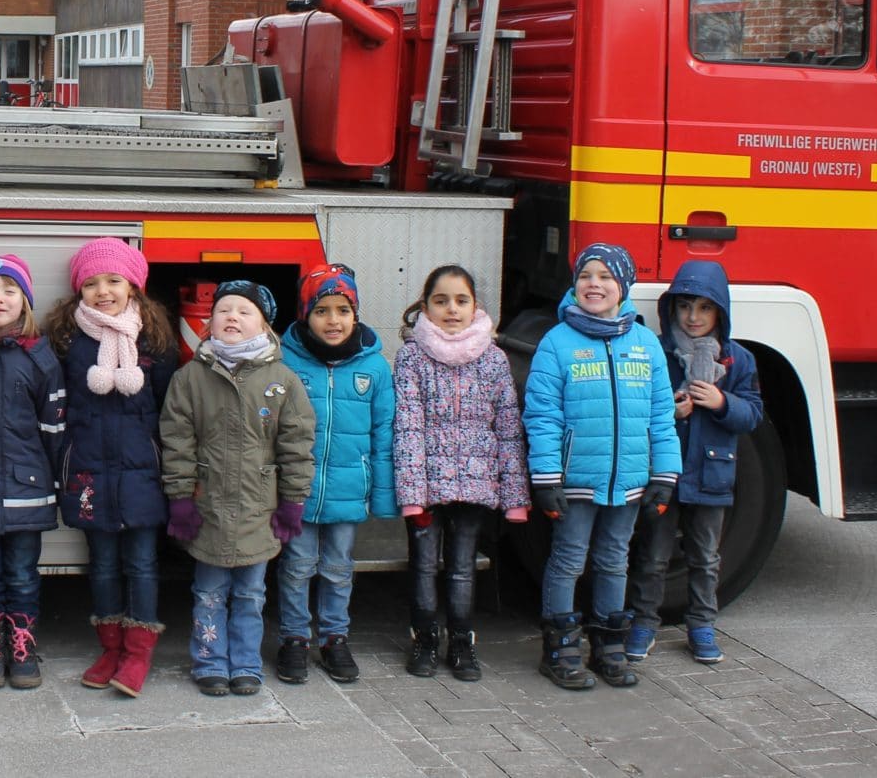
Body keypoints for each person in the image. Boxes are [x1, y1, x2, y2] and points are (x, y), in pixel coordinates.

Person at [525, 242, 682, 691]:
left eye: (605, 277)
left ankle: (609, 645)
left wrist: (664, 475)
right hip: (576, 482)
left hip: (629, 482)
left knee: (615, 560)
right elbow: (542, 414)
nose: (594, 284)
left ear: (623, 286)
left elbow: (660, 415)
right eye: (585, 276)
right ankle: (559, 648)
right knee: (569, 560)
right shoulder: (557, 343)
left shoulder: (645, 343)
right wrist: (546, 477)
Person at [160, 279, 315, 697]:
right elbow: (176, 440)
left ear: (265, 328)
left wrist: (292, 502)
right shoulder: (190, 377)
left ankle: (245, 663)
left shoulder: (282, 380)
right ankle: (210, 660)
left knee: (250, 593)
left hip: (258, 509)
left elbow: (297, 445)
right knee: (208, 591)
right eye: (224, 310)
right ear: (208, 323)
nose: (232, 317)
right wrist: (179, 497)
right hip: (207, 506)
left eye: (245, 312)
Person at [44, 236, 178, 698]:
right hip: (88, 472)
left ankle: (138, 653)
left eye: (114, 280)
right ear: (79, 290)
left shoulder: (155, 339)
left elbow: (169, 409)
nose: (103, 290)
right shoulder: (69, 342)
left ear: (133, 287)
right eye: (92, 282)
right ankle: (110, 647)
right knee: (101, 564)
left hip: (142, 474)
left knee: (141, 563)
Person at [392, 264, 528, 681]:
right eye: (441, 300)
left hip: (476, 484)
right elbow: (407, 426)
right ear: (426, 307)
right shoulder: (412, 357)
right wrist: (412, 494)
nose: (452, 308)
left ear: (475, 306)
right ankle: (425, 638)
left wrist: (515, 497)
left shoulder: (492, 359)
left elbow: (508, 429)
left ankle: (462, 641)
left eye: (461, 300)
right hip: (428, 485)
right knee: (424, 565)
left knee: (463, 567)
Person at [627, 260, 762, 666]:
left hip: (711, 475)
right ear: (672, 310)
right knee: (652, 553)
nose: (693, 317)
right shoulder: (656, 351)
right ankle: (643, 620)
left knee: (705, 557)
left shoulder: (738, 360)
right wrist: (669, 411)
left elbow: (753, 413)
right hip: (665, 474)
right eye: (685, 307)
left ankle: (702, 623)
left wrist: (723, 404)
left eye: (704, 308)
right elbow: (638, 404)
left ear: (720, 311)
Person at [275, 264, 396, 686]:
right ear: (305, 314)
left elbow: (384, 433)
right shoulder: (285, 361)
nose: (333, 320)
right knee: (296, 565)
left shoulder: (375, 368)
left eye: (342, 310)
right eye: (322, 310)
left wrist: (381, 495)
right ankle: (293, 638)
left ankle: (334, 637)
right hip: (298, 491)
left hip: (348, 490)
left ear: (355, 314)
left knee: (339, 566)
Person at [0, 252, 64, 690]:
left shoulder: (42, 359)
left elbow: (54, 431)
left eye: (9, 290)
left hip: (28, 491)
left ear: (25, 301)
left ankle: (21, 644)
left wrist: (55, 483)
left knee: (23, 573)